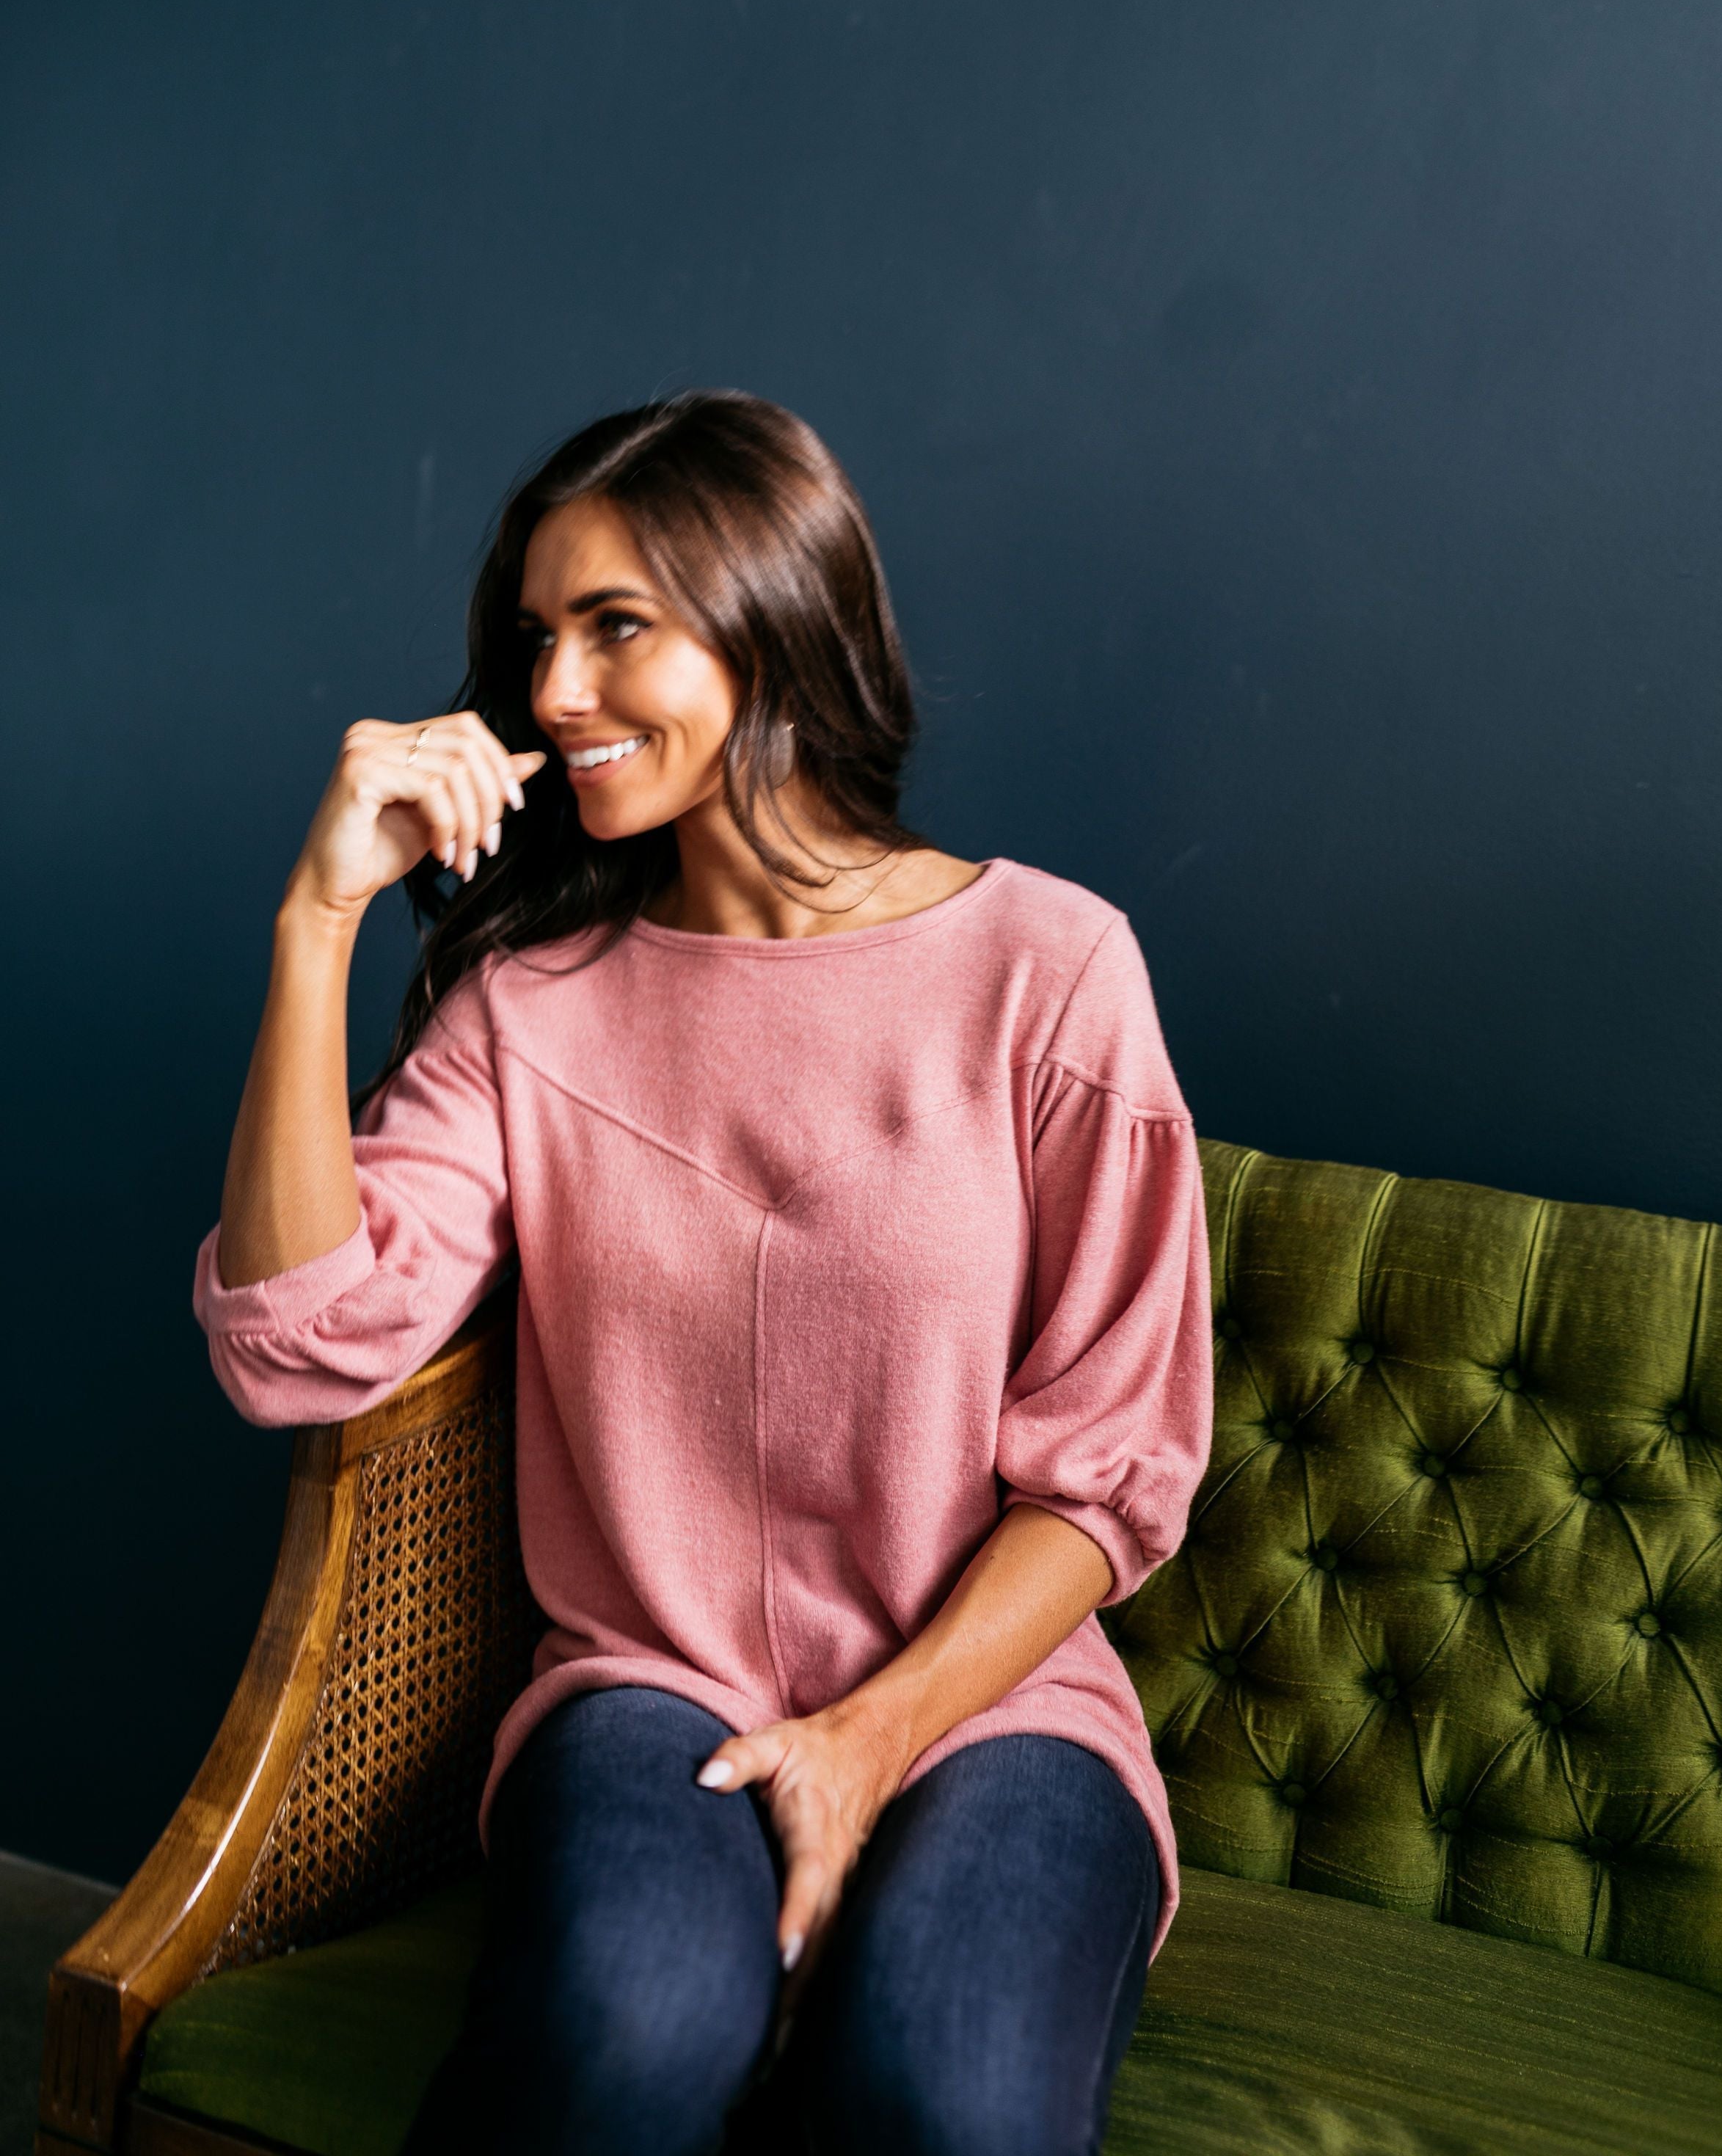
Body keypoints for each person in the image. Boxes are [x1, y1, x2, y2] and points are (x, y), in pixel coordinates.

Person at [193, 390, 1214, 2156]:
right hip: (645, 1690)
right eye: (537, 641)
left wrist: (870, 1738)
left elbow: (1113, 1472)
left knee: (948, 2098)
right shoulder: (530, 1012)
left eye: (615, 629)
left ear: (775, 618)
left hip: (997, 1711)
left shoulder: (1052, 974)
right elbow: (302, 1344)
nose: (553, 694)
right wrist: (317, 920)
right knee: (624, 2040)